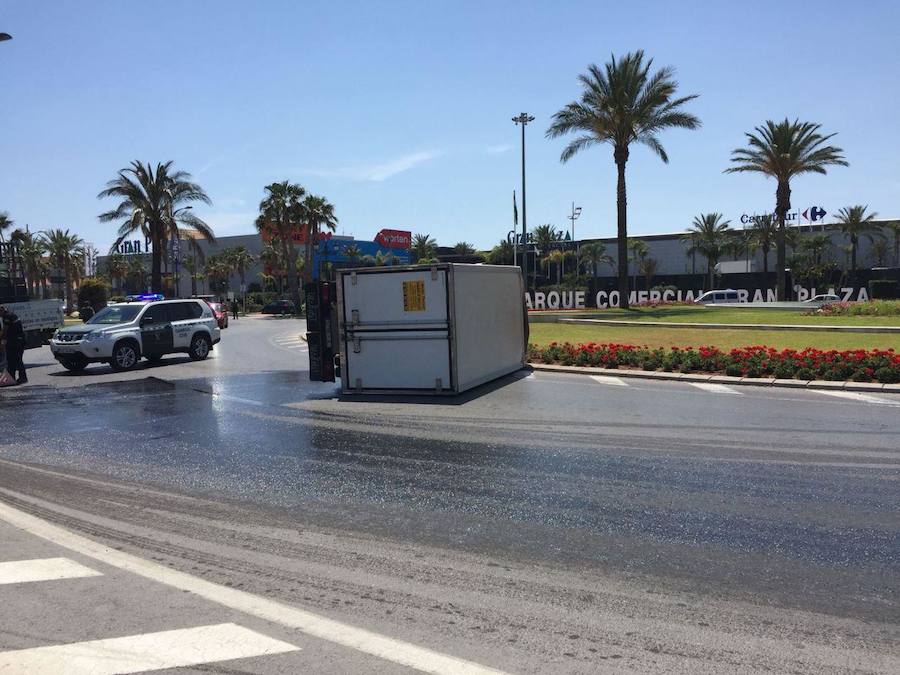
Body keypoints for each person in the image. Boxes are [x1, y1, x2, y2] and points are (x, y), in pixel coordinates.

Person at [0, 305, 27, 384]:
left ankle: (20, 378)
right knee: (13, 360)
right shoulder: (10, 314)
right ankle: (13, 378)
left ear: (1, 310)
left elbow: (5, 330)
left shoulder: (7, 316)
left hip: (15, 342)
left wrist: (2, 340)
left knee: (15, 360)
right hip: (17, 341)